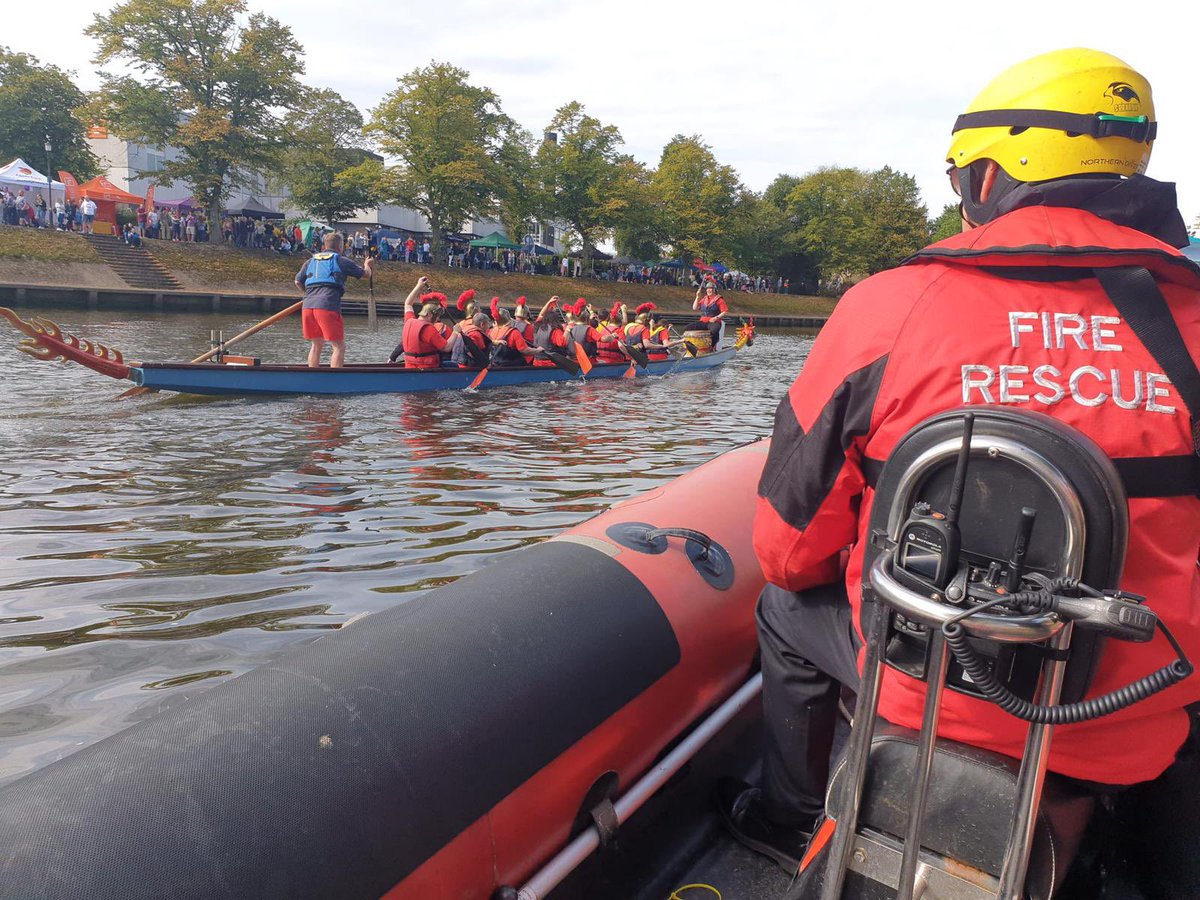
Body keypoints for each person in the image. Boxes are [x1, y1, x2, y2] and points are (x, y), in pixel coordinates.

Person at [723, 47, 1200, 882]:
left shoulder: (888, 307)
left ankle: (787, 818)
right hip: (1135, 713)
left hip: (932, 695)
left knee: (780, 606)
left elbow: (786, 549)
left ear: (992, 174)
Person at [295, 232, 372, 369]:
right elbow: (366, 274)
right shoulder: (341, 260)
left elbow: (297, 281)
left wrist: (308, 295)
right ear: (340, 247)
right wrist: (367, 265)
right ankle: (334, 379)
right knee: (339, 346)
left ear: (324, 246)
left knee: (316, 344)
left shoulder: (310, 261)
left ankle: (313, 375)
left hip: (307, 306)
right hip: (327, 306)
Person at [394, 280, 451, 369]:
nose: (437, 320)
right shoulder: (428, 329)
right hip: (427, 367)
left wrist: (418, 285)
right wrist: (456, 332)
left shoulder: (409, 321)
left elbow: (408, 303)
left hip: (409, 366)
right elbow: (446, 347)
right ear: (429, 314)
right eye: (436, 317)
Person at [487, 297, 538, 367]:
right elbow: (525, 350)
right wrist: (538, 350)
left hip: (495, 361)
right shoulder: (525, 328)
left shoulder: (491, 330)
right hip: (514, 360)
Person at [689, 282, 728, 350]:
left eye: (711, 288)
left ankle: (712, 347)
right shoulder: (704, 299)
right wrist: (697, 296)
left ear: (714, 290)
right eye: (708, 289)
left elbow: (724, 311)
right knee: (688, 328)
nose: (709, 290)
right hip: (703, 321)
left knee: (714, 331)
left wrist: (716, 318)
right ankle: (693, 347)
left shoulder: (719, 300)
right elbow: (694, 308)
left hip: (714, 322)